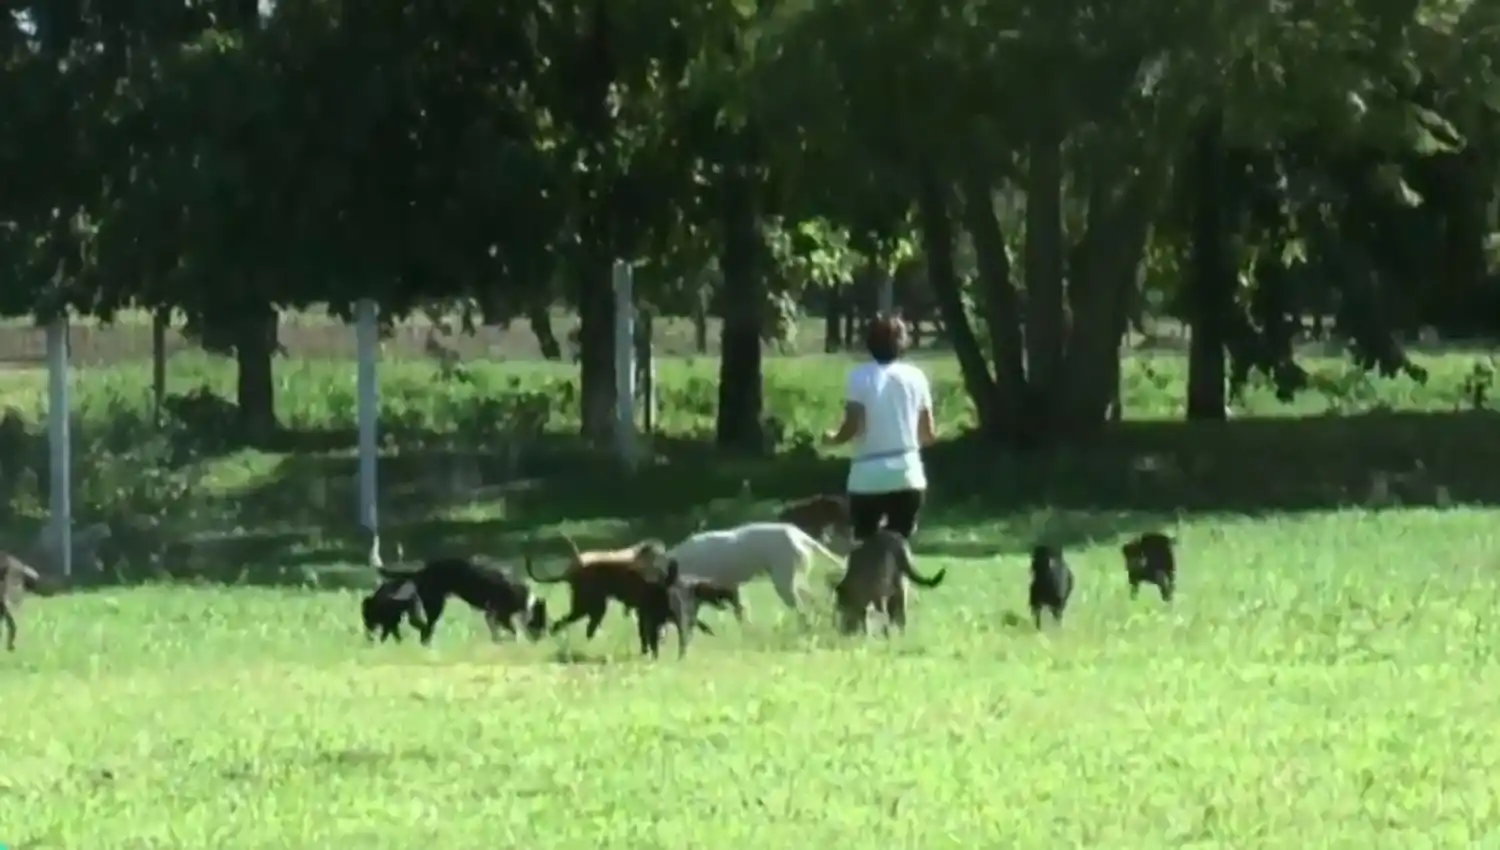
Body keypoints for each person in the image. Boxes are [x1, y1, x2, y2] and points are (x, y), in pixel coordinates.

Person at [823, 315, 937, 541]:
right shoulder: (917, 377)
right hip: (907, 472)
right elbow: (928, 434)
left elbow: (852, 426)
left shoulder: (859, 377)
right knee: (899, 544)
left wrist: (833, 438)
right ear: (903, 343)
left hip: (868, 473)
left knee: (865, 542)